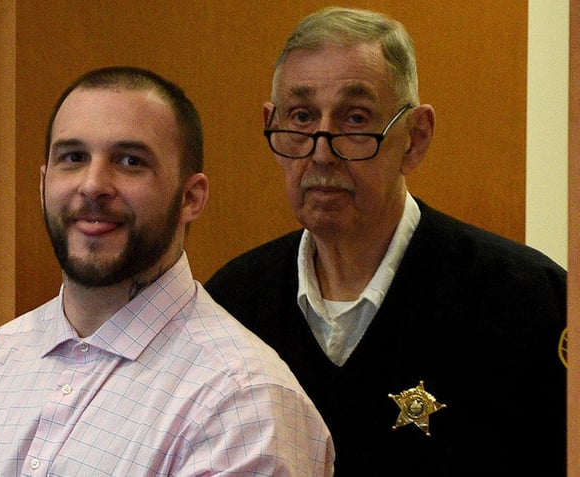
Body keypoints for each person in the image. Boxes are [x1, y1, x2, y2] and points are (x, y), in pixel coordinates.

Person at [0, 66, 334, 476]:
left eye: (130, 161)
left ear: (191, 197)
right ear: (43, 184)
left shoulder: (241, 400)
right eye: (73, 157)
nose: (93, 184)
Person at [204, 7, 567, 476]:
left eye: (355, 119)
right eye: (301, 117)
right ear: (271, 123)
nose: (321, 150)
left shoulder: (529, 300)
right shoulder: (231, 307)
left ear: (416, 138)